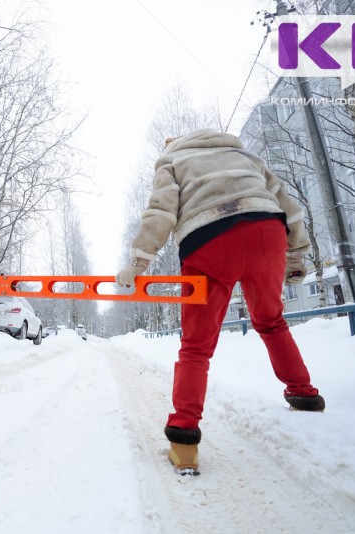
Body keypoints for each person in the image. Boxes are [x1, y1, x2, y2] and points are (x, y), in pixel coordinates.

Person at [116, 128, 324, 474]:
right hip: (266, 233)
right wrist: (297, 257)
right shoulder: (244, 156)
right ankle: (304, 395)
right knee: (272, 322)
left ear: (174, 143)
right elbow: (288, 204)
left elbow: (161, 212)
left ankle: (184, 441)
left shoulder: (172, 161)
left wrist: (138, 262)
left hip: (208, 241)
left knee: (196, 346)